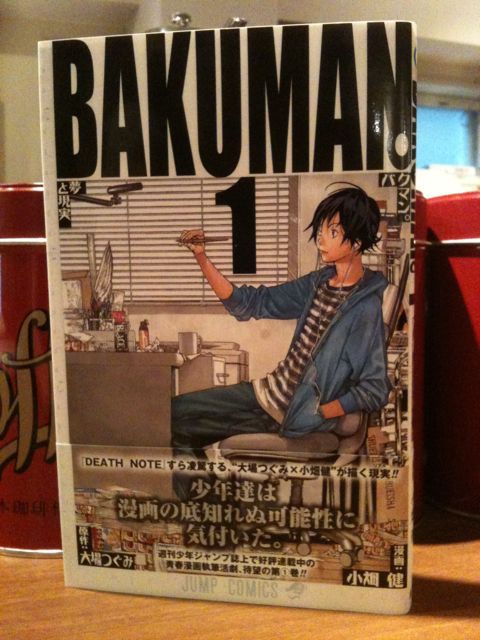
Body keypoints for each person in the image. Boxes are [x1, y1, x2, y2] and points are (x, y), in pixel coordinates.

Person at [171, 184, 391, 498]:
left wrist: (322, 412)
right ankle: (207, 503)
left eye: (332, 231)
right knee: (172, 413)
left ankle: (203, 505)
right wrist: (201, 257)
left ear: (356, 242)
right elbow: (251, 303)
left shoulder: (365, 307)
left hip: (288, 414)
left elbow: (375, 388)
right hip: (267, 393)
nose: (321, 238)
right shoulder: (318, 284)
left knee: (178, 424)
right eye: (321, 230)